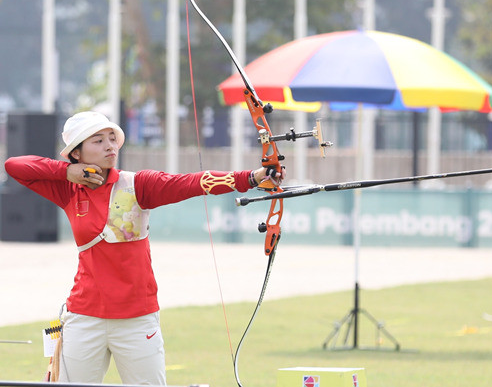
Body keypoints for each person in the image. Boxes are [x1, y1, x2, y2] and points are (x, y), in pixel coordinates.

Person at [3, 111, 284, 384]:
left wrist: (252, 177)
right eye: (97, 141)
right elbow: (14, 165)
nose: (109, 146)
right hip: (84, 315)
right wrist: (67, 172)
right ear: (77, 153)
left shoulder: (137, 184)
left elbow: (190, 183)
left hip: (137, 317)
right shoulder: (68, 190)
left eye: (111, 138)